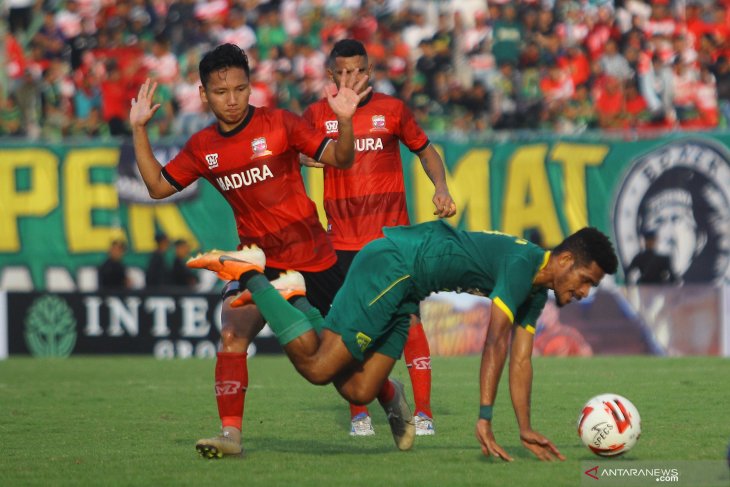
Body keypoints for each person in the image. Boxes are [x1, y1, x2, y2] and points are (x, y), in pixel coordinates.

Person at [188, 220, 618, 458]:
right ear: (563, 260)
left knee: (358, 387)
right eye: (584, 279)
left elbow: (522, 361)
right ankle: (251, 272)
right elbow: (495, 344)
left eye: (591, 288)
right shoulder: (524, 263)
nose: (583, 292)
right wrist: (484, 417)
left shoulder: (536, 292)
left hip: (411, 288)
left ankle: (296, 297)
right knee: (320, 368)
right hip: (395, 265)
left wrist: (524, 429)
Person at [129, 43, 369, 458]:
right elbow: (156, 187)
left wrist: (345, 122)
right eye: (221, 92)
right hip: (258, 262)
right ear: (204, 95)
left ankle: (388, 391)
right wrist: (138, 130)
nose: (233, 99)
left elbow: (343, 159)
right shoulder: (203, 146)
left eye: (240, 89)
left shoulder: (280, 124)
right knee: (232, 333)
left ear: (251, 87)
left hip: (315, 259)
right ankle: (231, 435)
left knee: (341, 367)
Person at [302, 39, 457, 437]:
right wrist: (309, 155)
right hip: (342, 242)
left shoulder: (393, 110)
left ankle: (423, 413)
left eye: (358, 70)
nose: (351, 78)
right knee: (349, 330)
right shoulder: (318, 115)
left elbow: (425, 151)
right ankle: (359, 414)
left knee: (408, 321)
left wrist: (441, 188)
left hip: (392, 240)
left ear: (369, 72)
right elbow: (292, 151)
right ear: (331, 75)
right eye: (343, 72)